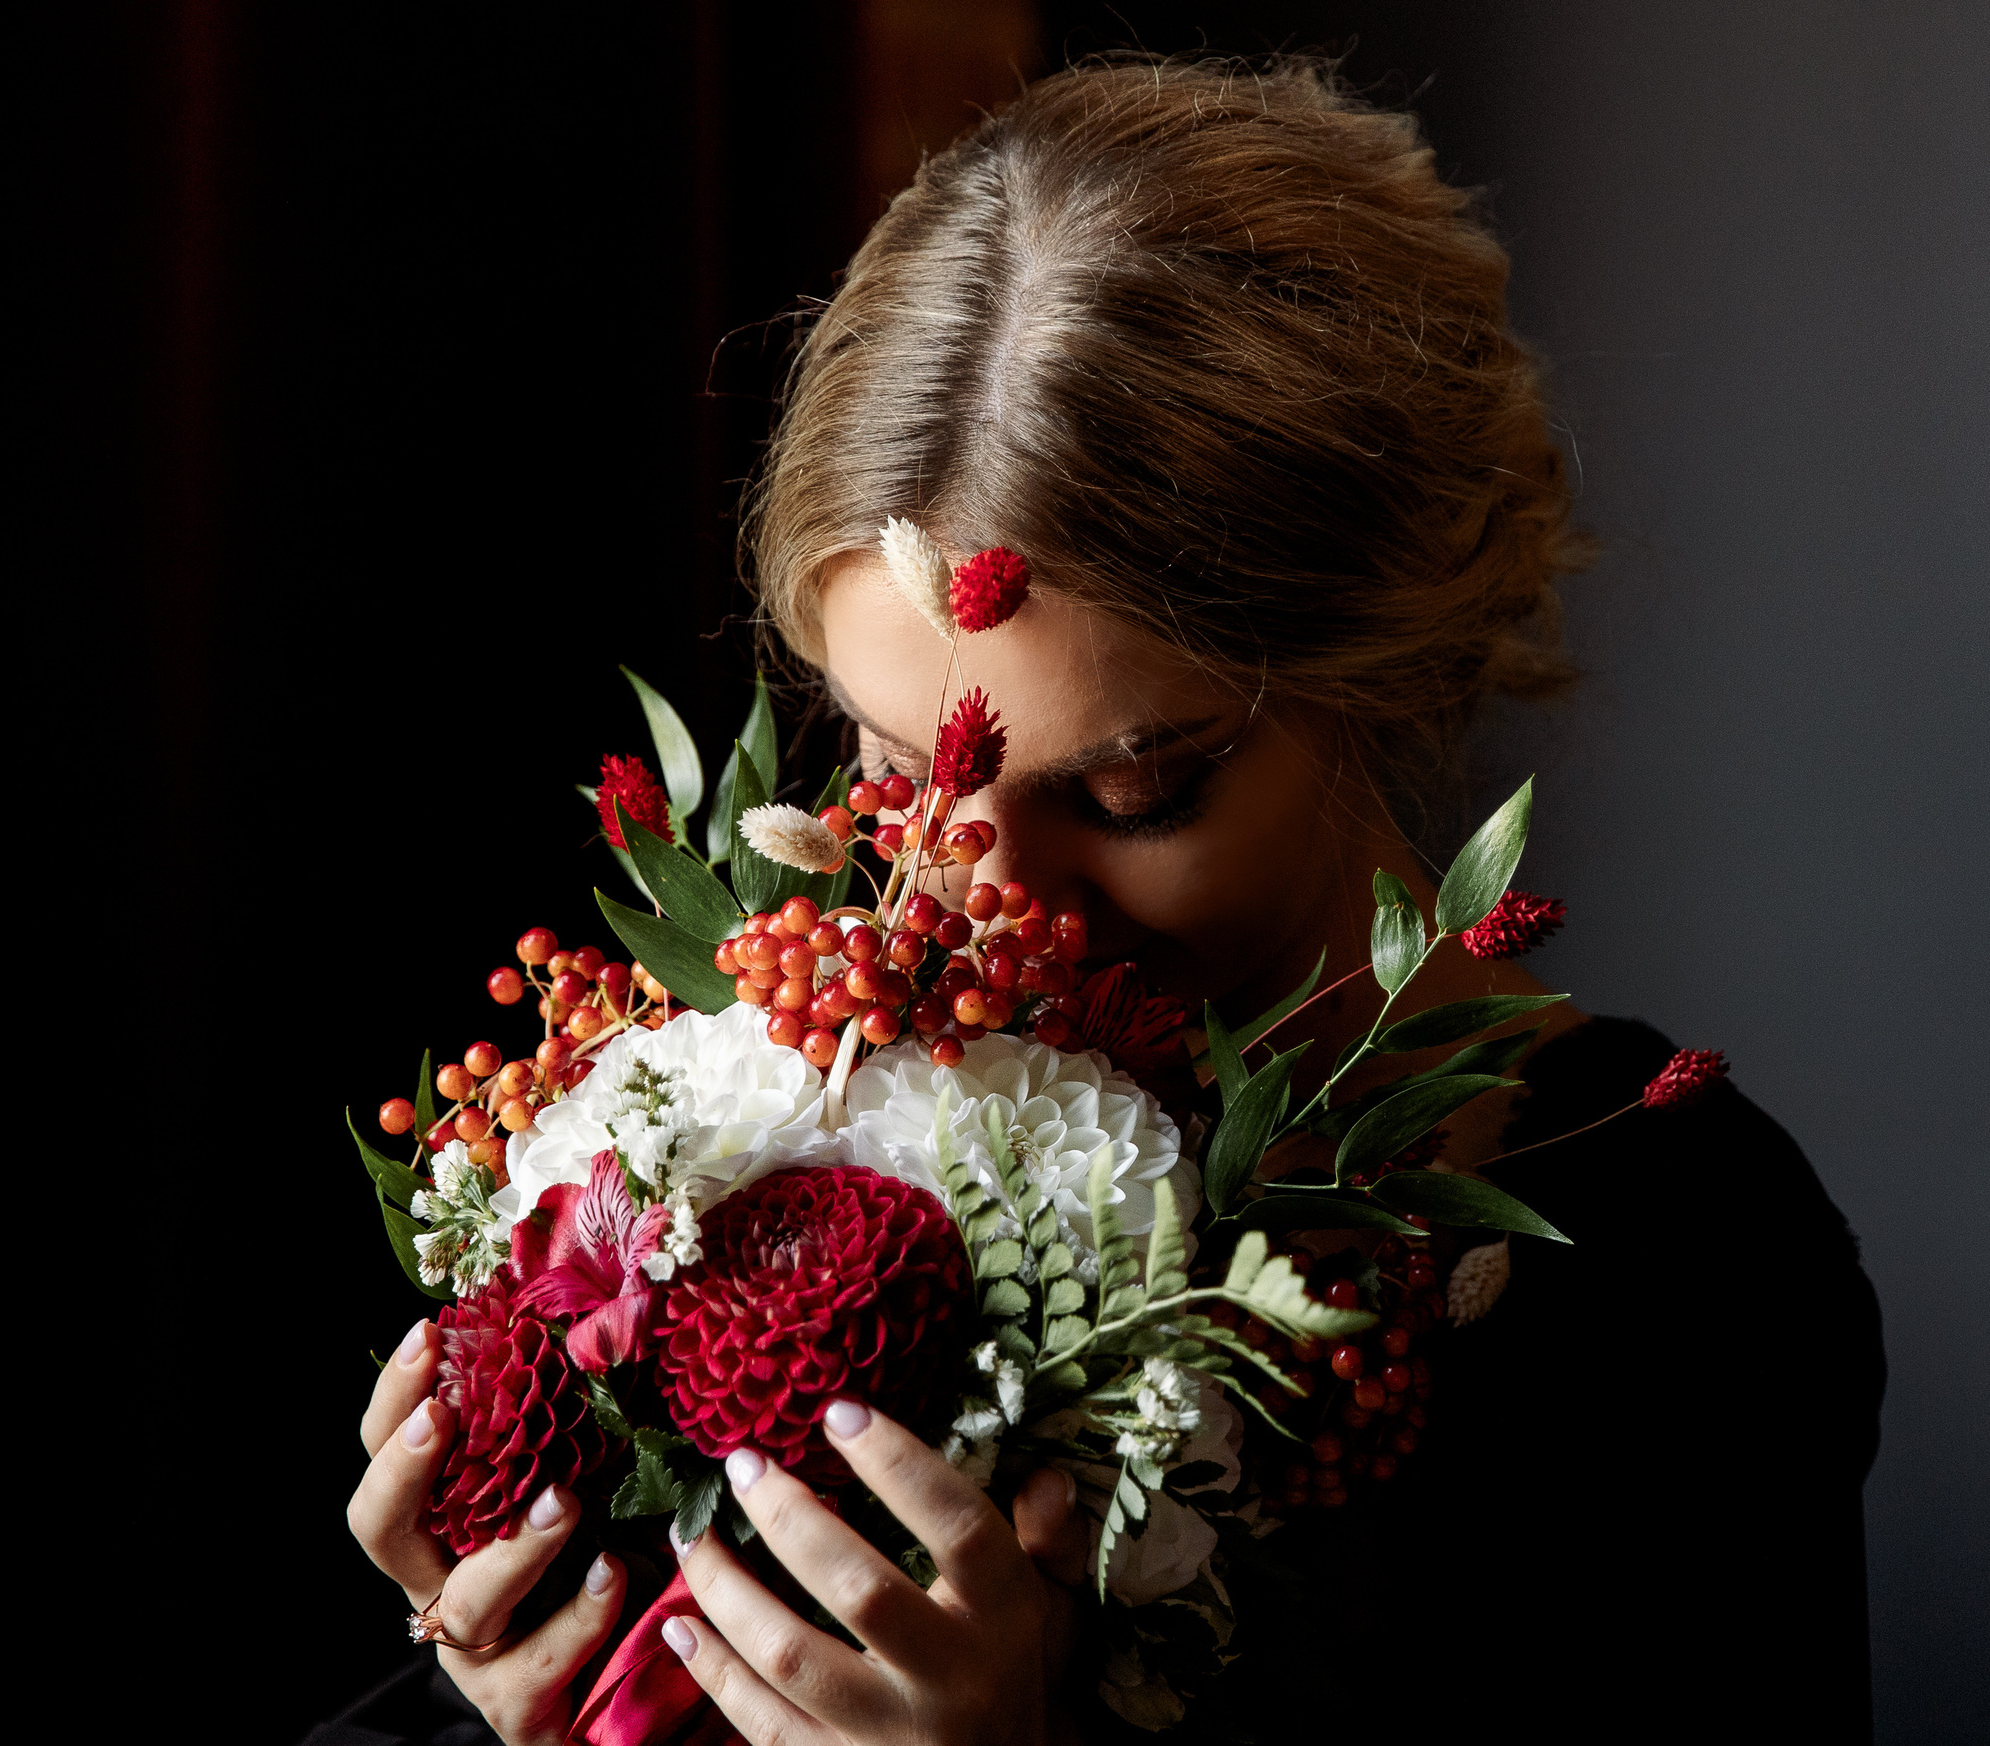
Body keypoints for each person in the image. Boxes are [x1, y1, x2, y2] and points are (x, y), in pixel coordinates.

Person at [334, 57, 1884, 1746]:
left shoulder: (1681, 1265)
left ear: (1389, 666)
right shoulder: (780, 1138)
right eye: (896, 778)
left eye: (1137, 792)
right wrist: (551, 1687)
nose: (983, 914)